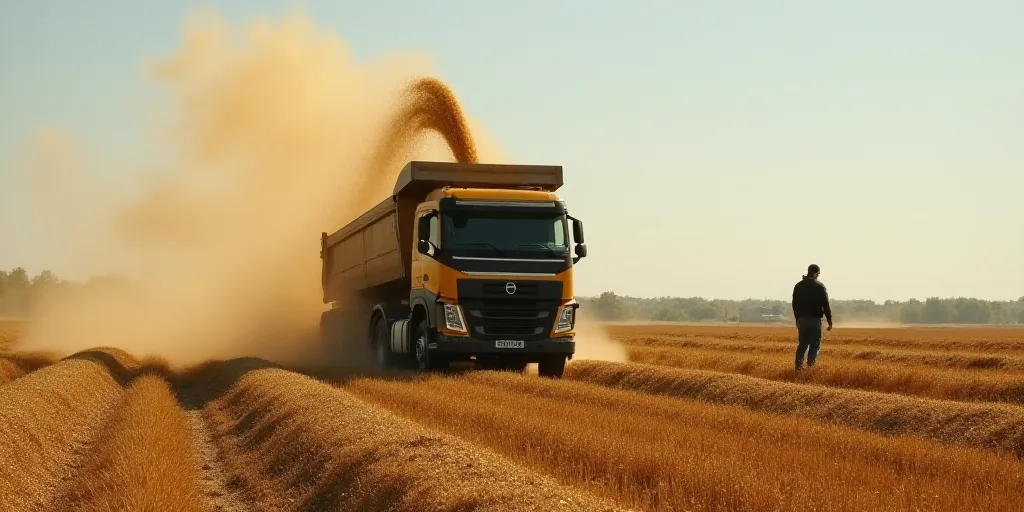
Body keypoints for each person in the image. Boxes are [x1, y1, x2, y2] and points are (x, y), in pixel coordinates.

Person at [791, 264, 833, 370]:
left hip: (802, 320)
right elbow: (826, 304)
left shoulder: (798, 286)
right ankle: (810, 368)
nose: (818, 276)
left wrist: (797, 319)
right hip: (815, 320)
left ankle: (798, 368)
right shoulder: (820, 286)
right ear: (815, 273)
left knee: (802, 345)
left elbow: (794, 304)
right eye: (818, 274)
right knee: (814, 345)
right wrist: (829, 320)